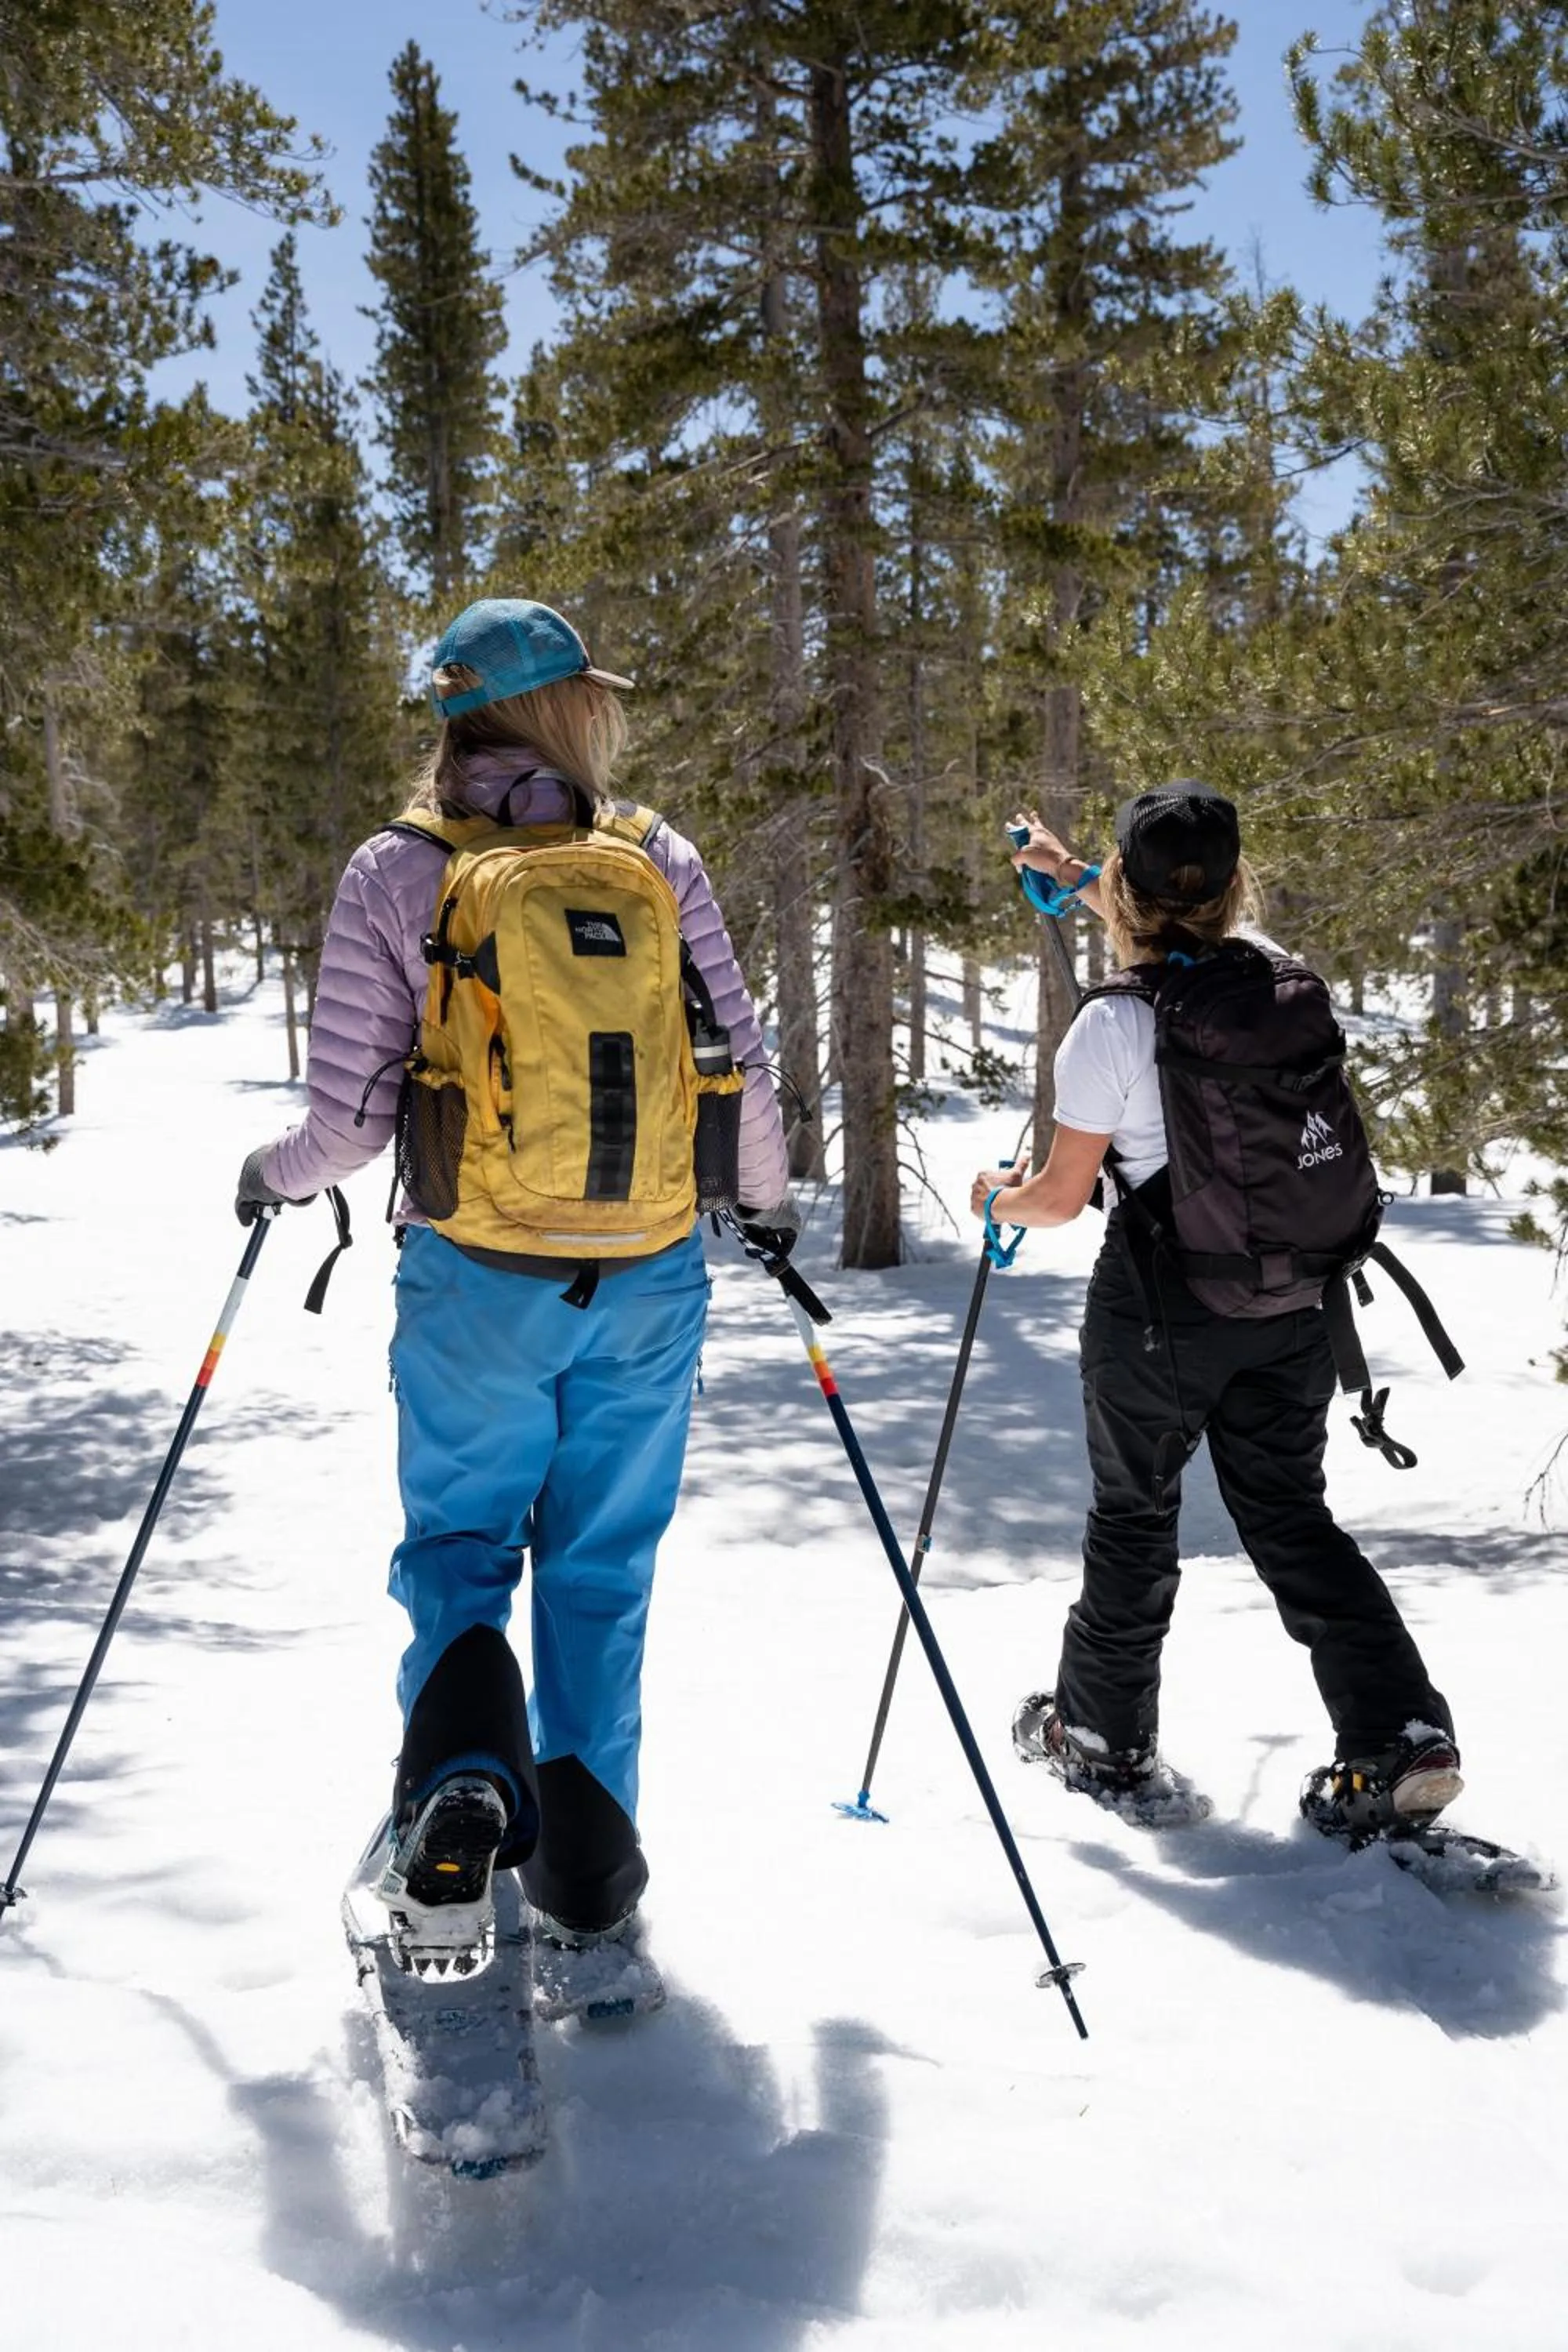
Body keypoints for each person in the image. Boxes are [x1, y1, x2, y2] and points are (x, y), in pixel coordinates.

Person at [234, 597, 793, 1949]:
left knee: (463, 1552)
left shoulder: (395, 869)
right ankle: (591, 1874)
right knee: (601, 1571)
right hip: (649, 1276)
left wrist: (271, 1176)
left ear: (454, 715)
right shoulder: (654, 854)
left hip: (476, 1277)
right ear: (570, 711)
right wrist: (763, 1209)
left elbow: (354, 1120)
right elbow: (738, 1068)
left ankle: (459, 1804)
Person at [969, 782, 1463, 1836]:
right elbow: (1169, 930)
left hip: (1159, 1313)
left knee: (1136, 1516)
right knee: (1290, 1516)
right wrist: (1066, 874)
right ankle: (1402, 1733)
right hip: (1293, 1304)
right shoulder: (1281, 973)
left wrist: (991, 1197)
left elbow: (1057, 1200)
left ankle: (1102, 1734)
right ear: (1237, 885)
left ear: (1131, 898)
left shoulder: (1111, 1026)